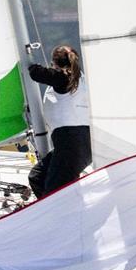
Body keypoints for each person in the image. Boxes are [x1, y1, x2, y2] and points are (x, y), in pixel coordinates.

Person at [27, 45, 92, 199]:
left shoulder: (65, 78)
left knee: (55, 195)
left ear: (55, 64)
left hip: (71, 143)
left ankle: (58, 217)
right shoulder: (78, 78)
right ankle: (50, 211)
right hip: (76, 143)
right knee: (37, 177)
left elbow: (36, 73)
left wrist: (28, 63)